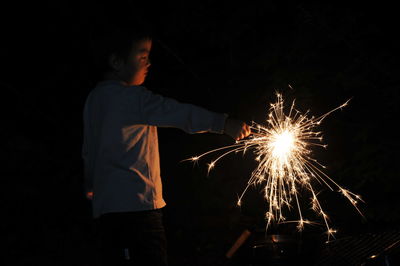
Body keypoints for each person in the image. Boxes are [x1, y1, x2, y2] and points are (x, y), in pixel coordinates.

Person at [82, 22, 251, 266]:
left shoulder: (94, 99)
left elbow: (89, 149)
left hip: (107, 212)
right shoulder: (132, 97)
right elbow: (177, 113)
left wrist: (90, 182)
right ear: (117, 62)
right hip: (139, 210)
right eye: (142, 57)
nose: (148, 63)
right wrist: (222, 124)